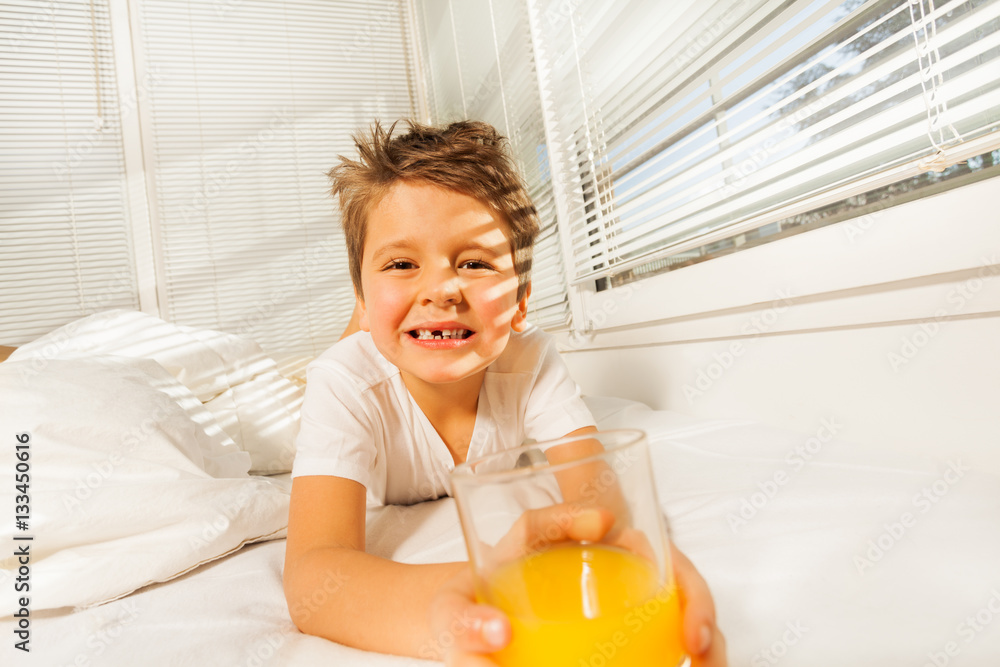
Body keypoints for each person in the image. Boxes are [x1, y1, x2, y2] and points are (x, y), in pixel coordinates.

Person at [283, 119, 727, 666]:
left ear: (520, 302)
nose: (443, 289)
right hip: (357, 365)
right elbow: (313, 576)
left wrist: (629, 558)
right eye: (402, 264)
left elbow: (599, 501)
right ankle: (360, 326)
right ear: (362, 292)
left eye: (475, 263)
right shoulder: (344, 383)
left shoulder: (531, 359)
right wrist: (486, 591)